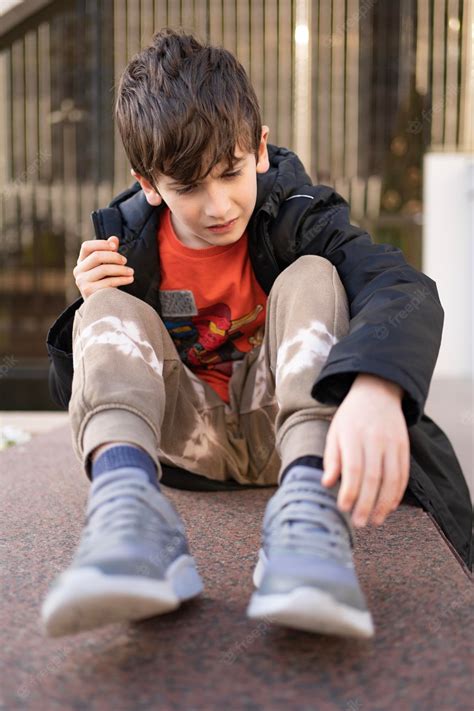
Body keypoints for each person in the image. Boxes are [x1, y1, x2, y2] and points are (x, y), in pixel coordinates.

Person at [40, 28, 472, 639]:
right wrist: (92, 305)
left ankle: (308, 523)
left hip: (291, 427)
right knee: (104, 308)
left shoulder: (299, 216)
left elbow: (402, 291)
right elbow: (79, 395)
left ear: (260, 148)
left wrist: (377, 387)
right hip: (191, 442)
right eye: (189, 188)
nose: (218, 205)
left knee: (316, 274)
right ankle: (129, 519)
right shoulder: (127, 249)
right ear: (149, 184)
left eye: (231, 172)